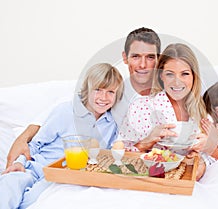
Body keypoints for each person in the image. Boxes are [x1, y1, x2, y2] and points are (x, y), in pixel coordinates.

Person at [6, 27, 161, 168]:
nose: (142, 65)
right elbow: (55, 113)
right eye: (135, 56)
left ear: (158, 59)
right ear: (125, 58)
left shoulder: (169, 93)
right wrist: (23, 138)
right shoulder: (113, 88)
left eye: (150, 57)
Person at [0, 63, 124, 209]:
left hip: (60, 177)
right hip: (36, 167)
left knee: (34, 201)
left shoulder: (111, 125)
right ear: (87, 89)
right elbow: (36, 144)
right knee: (10, 183)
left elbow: (106, 155)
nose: (104, 97)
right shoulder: (65, 111)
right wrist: (19, 162)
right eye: (98, 90)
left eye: (111, 92)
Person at [118, 43, 218, 180]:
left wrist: (209, 147)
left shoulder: (202, 111)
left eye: (184, 74)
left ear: (193, 76)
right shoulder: (141, 107)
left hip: (190, 183)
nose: (177, 82)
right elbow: (118, 157)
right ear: (161, 75)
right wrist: (147, 142)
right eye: (170, 74)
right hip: (152, 181)